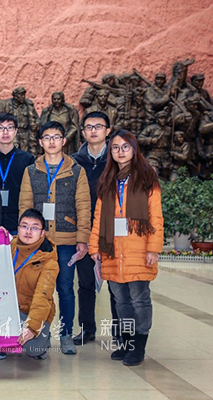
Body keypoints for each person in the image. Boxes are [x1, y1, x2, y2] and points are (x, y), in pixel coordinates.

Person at [89, 130, 163, 366]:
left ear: (134, 149)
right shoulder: (107, 179)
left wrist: (153, 248)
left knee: (139, 300)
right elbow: (98, 217)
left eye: (125, 147)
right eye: (115, 148)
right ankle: (127, 342)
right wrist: (94, 247)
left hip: (138, 250)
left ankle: (139, 345)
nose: (120, 152)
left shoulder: (147, 177)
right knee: (121, 301)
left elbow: (155, 216)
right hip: (112, 250)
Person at [19, 121, 91, 355]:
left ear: (64, 140)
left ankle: (66, 334)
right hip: (39, 243)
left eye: (56, 137)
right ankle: (43, 334)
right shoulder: (31, 170)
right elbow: (25, 206)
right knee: (40, 290)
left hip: (67, 241)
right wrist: (26, 237)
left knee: (65, 289)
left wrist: (83, 238)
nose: (52, 142)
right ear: (41, 142)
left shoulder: (76, 170)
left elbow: (83, 205)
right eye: (47, 137)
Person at [0, 209, 58, 364]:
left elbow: (42, 298)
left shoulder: (49, 262)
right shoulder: (9, 245)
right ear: (18, 228)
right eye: (24, 226)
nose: (28, 231)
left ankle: (43, 338)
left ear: (42, 233)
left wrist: (32, 328)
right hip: (6, 309)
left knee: (33, 349)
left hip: (29, 311)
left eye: (34, 228)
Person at [71, 111, 119, 345]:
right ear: (83, 132)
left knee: (116, 283)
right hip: (85, 229)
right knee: (86, 283)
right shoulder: (74, 161)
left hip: (112, 229)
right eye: (89, 127)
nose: (93, 131)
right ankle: (87, 328)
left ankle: (119, 331)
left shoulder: (117, 159)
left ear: (108, 131)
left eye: (98, 126)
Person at [0, 113, 35, 234]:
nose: (5, 132)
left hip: (19, 223)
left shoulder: (27, 159)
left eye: (9, 127)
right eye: (0, 128)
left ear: (15, 131)